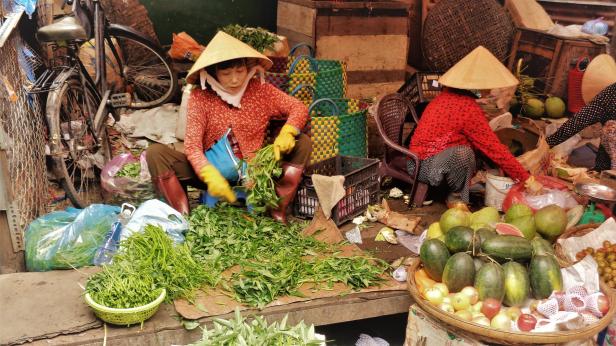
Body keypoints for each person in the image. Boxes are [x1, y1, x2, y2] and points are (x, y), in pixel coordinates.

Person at [146, 31, 311, 222]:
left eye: (239, 71)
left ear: (247, 67)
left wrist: (288, 132)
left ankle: (276, 212)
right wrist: (208, 173)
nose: (235, 80)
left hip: (254, 172)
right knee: (155, 153)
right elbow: (192, 145)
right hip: (211, 172)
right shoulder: (201, 97)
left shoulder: (260, 89)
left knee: (303, 143)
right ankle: (182, 220)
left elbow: (298, 107)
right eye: (226, 74)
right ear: (213, 72)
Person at [407, 46, 538, 205]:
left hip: (418, 160)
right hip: (423, 168)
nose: (490, 90)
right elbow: (493, 148)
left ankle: (465, 185)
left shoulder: (445, 97)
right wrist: (527, 179)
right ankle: (456, 198)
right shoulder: (467, 108)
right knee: (464, 153)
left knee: (472, 150)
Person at [547, 54, 616, 171]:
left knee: (610, 129)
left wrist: (547, 144)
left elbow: (579, 121)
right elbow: (578, 121)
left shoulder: (610, 95)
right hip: (605, 167)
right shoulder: (610, 95)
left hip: (608, 169)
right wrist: (548, 143)